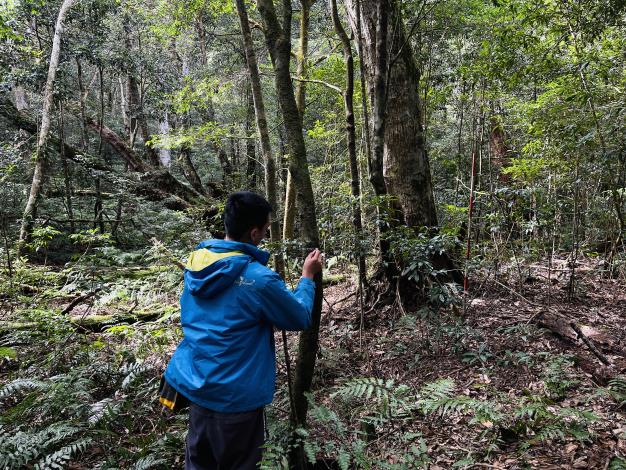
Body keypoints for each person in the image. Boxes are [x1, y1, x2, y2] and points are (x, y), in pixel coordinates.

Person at [160, 191, 323, 470]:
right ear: (255, 232)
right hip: (236, 400)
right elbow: (298, 317)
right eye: (267, 229)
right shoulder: (257, 279)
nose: (266, 234)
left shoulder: (197, 264)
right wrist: (307, 278)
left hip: (197, 387)